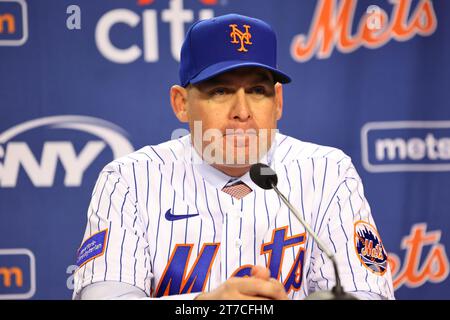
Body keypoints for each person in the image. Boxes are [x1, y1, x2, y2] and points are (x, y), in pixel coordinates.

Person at [73, 13, 394, 300]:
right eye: (220, 91)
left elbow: (365, 292)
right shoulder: (130, 179)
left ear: (278, 101)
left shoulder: (326, 172)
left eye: (257, 91)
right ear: (181, 103)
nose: (242, 112)